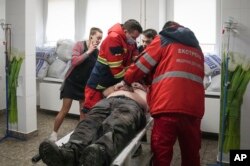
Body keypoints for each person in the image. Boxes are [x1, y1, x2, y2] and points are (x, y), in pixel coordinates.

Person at [115, 21, 205, 166]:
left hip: (168, 104)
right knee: (192, 153)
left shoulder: (164, 39)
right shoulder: (197, 48)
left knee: (161, 153)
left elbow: (142, 64)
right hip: (193, 108)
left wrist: (126, 80)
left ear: (166, 29)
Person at [38, 82, 148, 166]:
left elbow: (150, 106)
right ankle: (69, 152)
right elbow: (105, 92)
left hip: (132, 105)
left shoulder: (146, 87)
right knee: (88, 123)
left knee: (118, 124)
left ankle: (100, 153)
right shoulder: (122, 82)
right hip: (107, 101)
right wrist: (116, 87)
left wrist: (139, 89)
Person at [49, 27, 103, 142]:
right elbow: (75, 61)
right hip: (72, 82)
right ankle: (54, 133)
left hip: (84, 86)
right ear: (91, 35)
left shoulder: (98, 52)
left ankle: (80, 136)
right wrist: (89, 51)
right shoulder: (80, 45)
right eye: (98, 37)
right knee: (65, 109)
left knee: (83, 112)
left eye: (101, 39)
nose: (99, 40)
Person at [82, 19, 143, 114]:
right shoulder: (113, 39)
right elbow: (117, 69)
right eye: (133, 37)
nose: (135, 40)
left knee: (108, 115)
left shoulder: (129, 40)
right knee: (93, 115)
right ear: (126, 31)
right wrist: (127, 82)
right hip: (99, 85)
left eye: (136, 38)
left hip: (112, 83)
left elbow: (134, 55)